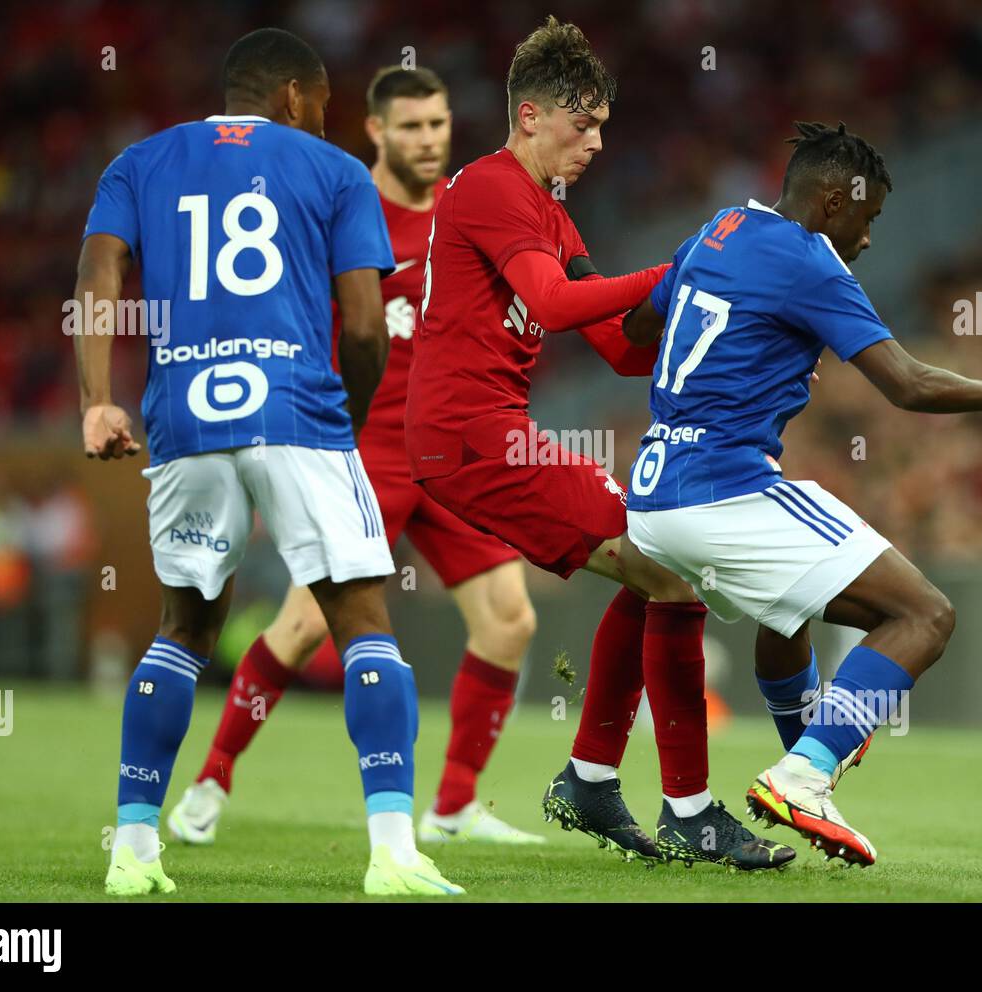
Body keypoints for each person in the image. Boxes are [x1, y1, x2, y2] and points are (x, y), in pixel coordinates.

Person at [76, 28, 461, 896]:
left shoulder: (139, 161)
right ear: (294, 96)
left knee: (183, 632)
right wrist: (350, 420)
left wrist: (99, 398)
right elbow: (363, 324)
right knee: (364, 622)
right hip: (299, 413)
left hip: (181, 416)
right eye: (324, 104)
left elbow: (99, 270)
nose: (325, 121)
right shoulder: (335, 174)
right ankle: (394, 854)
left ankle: (133, 849)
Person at [406, 15, 793, 871]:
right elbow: (549, 303)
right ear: (532, 113)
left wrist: (715, 313)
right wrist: (677, 268)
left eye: (604, 129)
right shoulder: (491, 187)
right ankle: (683, 809)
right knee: (669, 572)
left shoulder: (548, 209)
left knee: (663, 565)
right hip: (469, 434)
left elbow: (620, 348)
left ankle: (592, 777)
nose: (595, 144)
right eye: (583, 126)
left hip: (490, 431)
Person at [623, 121, 982, 865]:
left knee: (786, 612)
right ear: (833, 202)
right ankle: (805, 773)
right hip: (722, 488)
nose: (868, 238)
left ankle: (811, 767)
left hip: (652, 496)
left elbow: (641, 327)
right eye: (870, 217)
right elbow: (909, 385)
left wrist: (756, 346)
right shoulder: (810, 260)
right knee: (925, 613)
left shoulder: (721, 228)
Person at [167, 65, 544, 848]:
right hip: (364, 446)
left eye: (438, 124)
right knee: (303, 628)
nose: (429, 140)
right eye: (411, 127)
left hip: (450, 446)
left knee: (509, 619)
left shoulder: (468, 210)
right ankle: (212, 778)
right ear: (375, 131)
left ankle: (453, 807)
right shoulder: (340, 202)